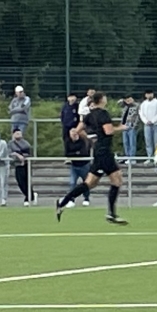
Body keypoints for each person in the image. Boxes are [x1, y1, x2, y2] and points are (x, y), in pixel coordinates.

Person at [56, 92, 128, 224]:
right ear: (101, 100)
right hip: (105, 152)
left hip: (98, 151)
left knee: (91, 183)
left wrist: (91, 138)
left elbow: (77, 130)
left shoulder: (89, 115)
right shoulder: (103, 114)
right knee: (116, 181)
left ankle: (62, 203)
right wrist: (121, 128)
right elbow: (109, 131)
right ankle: (111, 214)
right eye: (105, 98)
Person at [8, 128, 32, 205]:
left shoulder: (26, 143)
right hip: (17, 164)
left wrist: (23, 157)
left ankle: (28, 197)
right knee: (20, 182)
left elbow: (29, 153)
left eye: (20, 133)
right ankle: (30, 195)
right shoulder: (11, 144)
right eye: (17, 133)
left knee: (26, 181)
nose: (19, 135)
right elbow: (9, 153)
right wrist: (17, 155)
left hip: (26, 164)